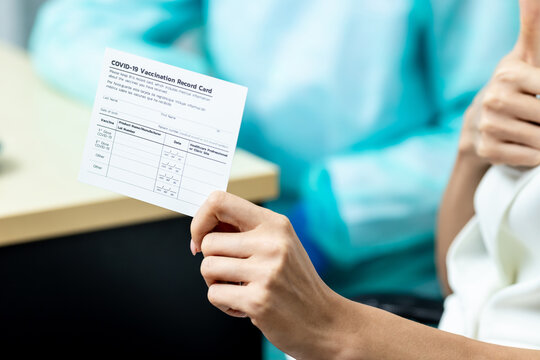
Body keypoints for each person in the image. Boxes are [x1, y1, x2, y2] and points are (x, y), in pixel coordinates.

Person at [29, 0, 519, 306]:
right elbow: (77, 23)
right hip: (228, 216)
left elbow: (485, 128)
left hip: (388, 263)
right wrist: (188, 96)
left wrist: (330, 214)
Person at [189, 0, 540, 358]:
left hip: (386, 283)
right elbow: (465, 282)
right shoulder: (519, 78)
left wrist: (336, 327)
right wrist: (470, 149)